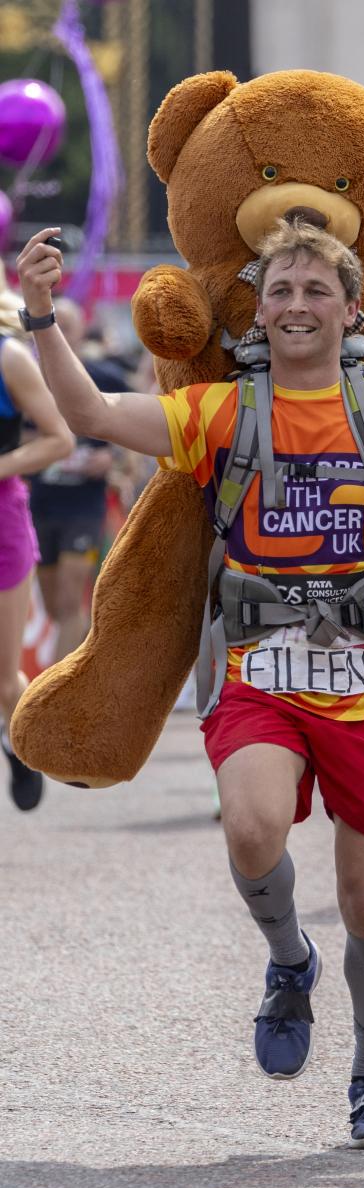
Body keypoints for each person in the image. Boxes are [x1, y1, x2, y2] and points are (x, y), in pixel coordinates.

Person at [16, 221, 364, 1146]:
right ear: (259, 307)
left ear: (351, 308)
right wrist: (41, 314)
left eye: (315, 290)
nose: (295, 305)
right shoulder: (220, 412)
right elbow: (91, 416)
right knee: (250, 831)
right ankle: (290, 962)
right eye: (280, 289)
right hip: (261, 670)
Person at [0, 266, 74, 809]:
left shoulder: (9, 357)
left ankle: (28, 747)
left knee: (5, 684)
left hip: (4, 526)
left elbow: (59, 440)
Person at [28, 298, 130, 662]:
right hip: (40, 506)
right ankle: (91, 661)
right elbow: (17, 438)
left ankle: (52, 699)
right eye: (53, 327)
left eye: (66, 327)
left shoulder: (105, 377)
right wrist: (47, 447)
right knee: (57, 606)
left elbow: (134, 434)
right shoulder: (29, 379)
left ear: (82, 330)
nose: (60, 335)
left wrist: (112, 457)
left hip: (85, 507)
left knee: (71, 601)